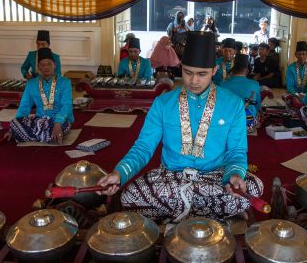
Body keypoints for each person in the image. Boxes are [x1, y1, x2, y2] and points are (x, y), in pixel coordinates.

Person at [97, 31, 264, 223]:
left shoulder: (233, 104)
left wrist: (234, 176)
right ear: (181, 68)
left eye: (202, 74)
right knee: (130, 196)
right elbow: (143, 147)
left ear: (214, 71)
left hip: (217, 177)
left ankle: (181, 212)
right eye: (188, 72)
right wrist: (119, 173)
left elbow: (237, 150)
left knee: (254, 186)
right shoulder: (163, 103)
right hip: (171, 178)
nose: (194, 81)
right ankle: (213, 212)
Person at [8, 48, 73, 144]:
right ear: (38, 67)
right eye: (43, 65)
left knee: (63, 126)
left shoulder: (65, 82)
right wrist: (11, 129)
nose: (46, 67)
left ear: (54, 65)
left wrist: (58, 123)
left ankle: (31, 135)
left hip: (59, 121)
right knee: (14, 123)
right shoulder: (31, 84)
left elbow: (67, 105)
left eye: (49, 64)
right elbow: (24, 106)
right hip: (40, 121)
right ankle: (43, 135)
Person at [220, 54, 261, 134]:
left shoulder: (222, 84)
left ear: (233, 70)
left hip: (227, 122)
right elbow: (258, 105)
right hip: (246, 122)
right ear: (247, 71)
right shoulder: (254, 84)